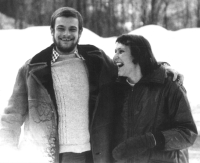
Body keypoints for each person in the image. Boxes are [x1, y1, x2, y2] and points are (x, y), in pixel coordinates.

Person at [0, 7, 183, 163]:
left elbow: (131, 68)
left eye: (72, 29)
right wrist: (9, 155)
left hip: (92, 155)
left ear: (80, 32)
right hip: (47, 156)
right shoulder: (32, 69)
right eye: (61, 28)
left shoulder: (97, 60)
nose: (66, 34)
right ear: (52, 31)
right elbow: (11, 117)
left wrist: (161, 68)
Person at [112, 34, 198, 163]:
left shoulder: (169, 85)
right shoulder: (118, 88)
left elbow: (187, 133)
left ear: (137, 55)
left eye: (121, 51)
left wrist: (150, 140)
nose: (114, 57)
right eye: (115, 52)